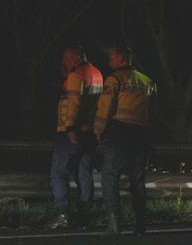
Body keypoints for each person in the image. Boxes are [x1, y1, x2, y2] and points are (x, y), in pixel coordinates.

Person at [94, 46, 157, 235]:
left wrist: (99, 131)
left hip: (121, 131)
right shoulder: (147, 81)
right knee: (137, 178)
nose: (109, 63)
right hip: (142, 133)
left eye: (112, 58)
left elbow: (105, 109)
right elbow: (154, 112)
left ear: (121, 59)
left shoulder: (114, 80)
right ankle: (140, 223)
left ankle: (114, 221)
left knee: (109, 174)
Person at [49, 46, 104, 229]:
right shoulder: (97, 74)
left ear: (78, 57)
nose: (64, 61)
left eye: (67, 57)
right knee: (84, 172)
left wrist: (70, 128)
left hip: (72, 131)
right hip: (90, 131)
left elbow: (74, 102)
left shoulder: (76, 75)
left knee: (58, 172)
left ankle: (62, 214)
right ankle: (85, 214)